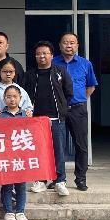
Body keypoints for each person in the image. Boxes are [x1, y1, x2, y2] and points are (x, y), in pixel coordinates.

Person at [22, 41, 74, 197]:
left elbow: (68, 93)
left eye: (45, 53)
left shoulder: (60, 72)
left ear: (52, 55)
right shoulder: (30, 74)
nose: (41, 56)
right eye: (38, 54)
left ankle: (60, 181)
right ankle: (40, 180)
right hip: (36, 120)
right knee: (39, 151)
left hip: (56, 118)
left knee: (58, 150)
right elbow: (23, 95)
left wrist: (62, 108)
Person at [53, 32, 97, 192]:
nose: (69, 45)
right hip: (57, 109)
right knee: (57, 145)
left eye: (72, 43)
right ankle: (57, 178)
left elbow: (91, 86)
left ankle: (81, 178)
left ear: (77, 45)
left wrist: (78, 99)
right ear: (60, 45)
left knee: (81, 145)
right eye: (65, 42)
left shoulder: (85, 64)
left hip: (78, 109)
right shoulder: (53, 62)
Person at [0, 85, 31, 220]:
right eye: (9, 97)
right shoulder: (0, 116)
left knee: (21, 185)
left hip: (21, 156)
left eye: (15, 96)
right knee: (7, 185)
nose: (12, 99)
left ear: (20, 98)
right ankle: (8, 212)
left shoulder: (26, 115)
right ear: (4, 99)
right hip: (6, 156)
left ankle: (20, 211)